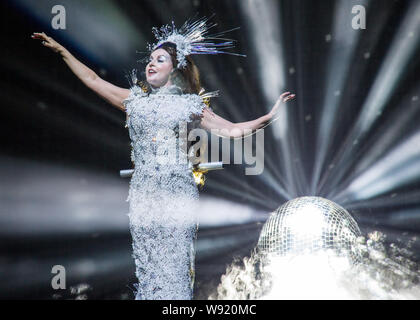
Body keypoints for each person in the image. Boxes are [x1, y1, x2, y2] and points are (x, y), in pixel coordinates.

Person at [31, 16, 295, 300]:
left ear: (175, 69)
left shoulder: (190, 105)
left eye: (160, 60)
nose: (151, 64)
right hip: (144, 195)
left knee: (174, 268)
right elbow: (93, 80)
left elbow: (231, 130)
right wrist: (63, 51)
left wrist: (268, 117)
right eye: (150, 59)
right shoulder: (134, 101)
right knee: (149, 270)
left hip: (176, 194)